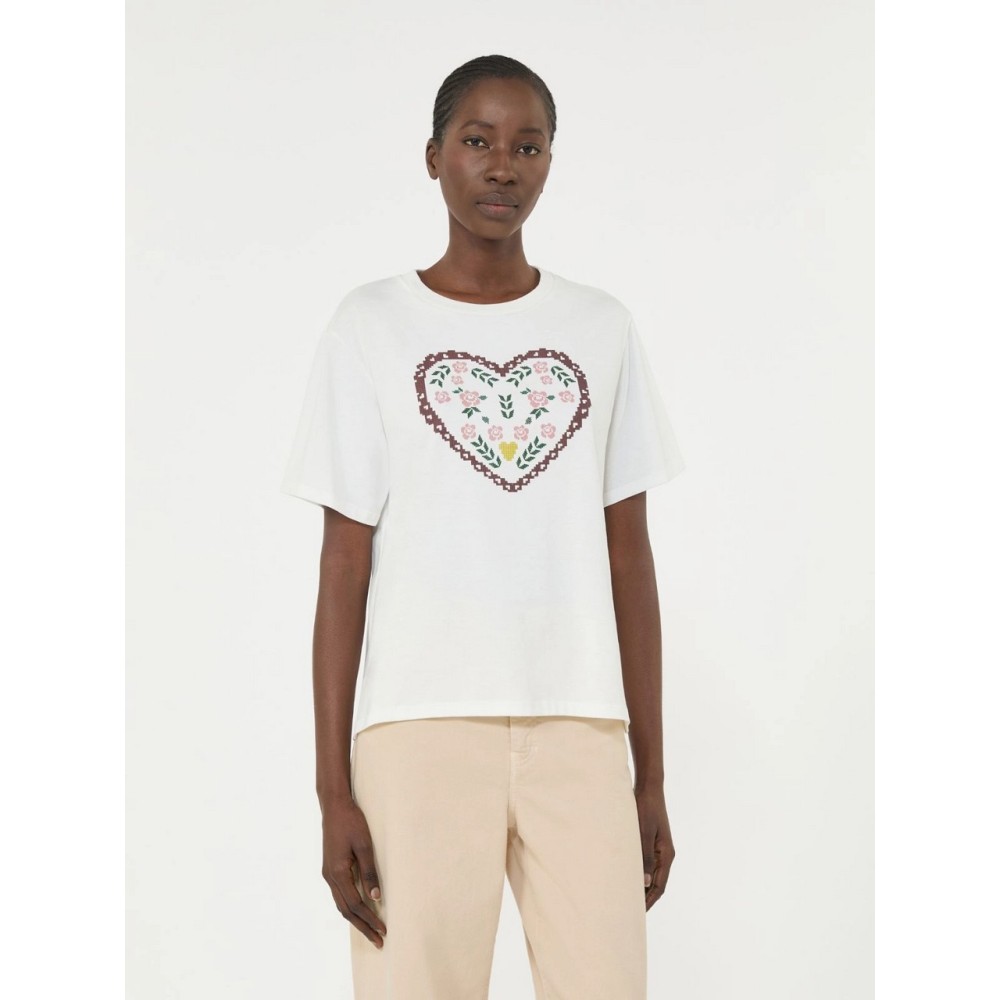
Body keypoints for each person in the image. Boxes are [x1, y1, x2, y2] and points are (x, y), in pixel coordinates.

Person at [281, 53, 686, 1000]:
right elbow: (344, 564)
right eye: (477, 141)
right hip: (418, 731)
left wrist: (650, 776)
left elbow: (629, 557)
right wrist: (333, 790)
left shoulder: (601, 327)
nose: (503, 165)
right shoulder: (369, 325)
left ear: (550, 163)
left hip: (579, 724)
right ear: (434, 157)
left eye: (528, 146)